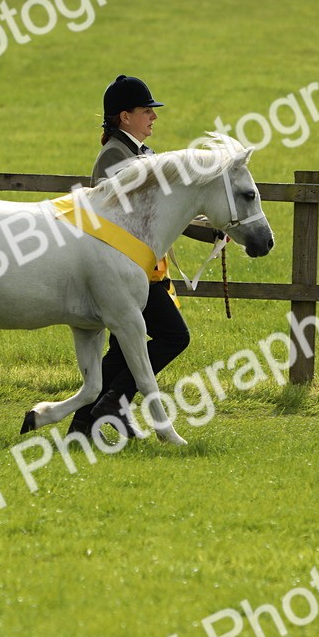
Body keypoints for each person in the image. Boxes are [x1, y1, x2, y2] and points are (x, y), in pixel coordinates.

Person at [68, 74, 221, 438]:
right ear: (125, 116)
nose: (153, 117)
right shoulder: (113, 158)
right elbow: (135, 216)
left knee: (122, 352)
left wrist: (212, 230)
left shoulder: (142, 154)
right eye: (146, 110)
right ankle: (113, 405)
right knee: (173, 336)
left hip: (140, 269)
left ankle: (81, 426)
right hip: (124, 270)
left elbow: (166, 215)